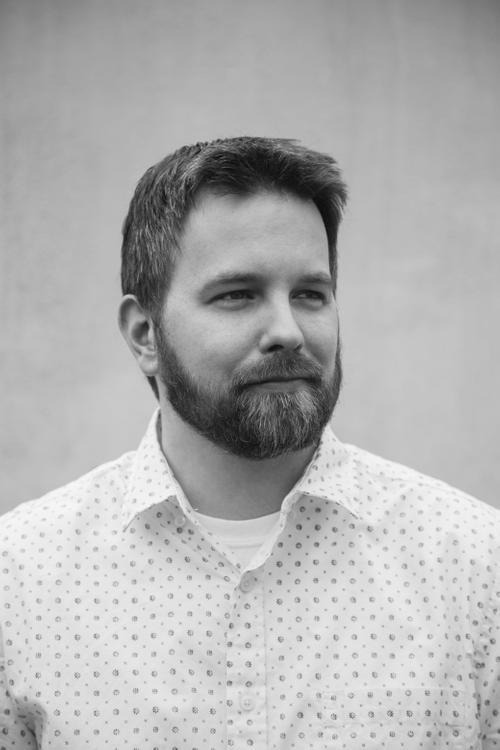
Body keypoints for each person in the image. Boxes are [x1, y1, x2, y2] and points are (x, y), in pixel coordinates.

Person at [1, 136, 499, 750]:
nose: (288, 331)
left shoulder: (476, 570)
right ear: (143, 334)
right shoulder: (19, 584)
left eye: (310, 294)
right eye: (237, 295)